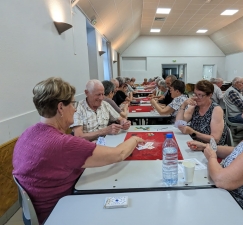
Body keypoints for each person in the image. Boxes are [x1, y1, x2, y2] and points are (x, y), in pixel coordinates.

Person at [12, 77, 144, 224]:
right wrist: (135, 139)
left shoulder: (27, 134)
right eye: (73, 104)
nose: (75, 109)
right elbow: (119, 154)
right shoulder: (64, 144)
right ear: (61, 108)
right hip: (57, 212)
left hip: (34, 211)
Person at [176, 80, 227, 145]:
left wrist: (193, 132)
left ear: (210, 95)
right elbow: (179, 123)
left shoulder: (216, 110)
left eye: (200, 95)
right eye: (195, 94)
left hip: (210, 148)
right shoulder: (194, 106)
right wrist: (183, 105)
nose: (196, 98)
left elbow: (215, 139)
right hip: (194, 144)